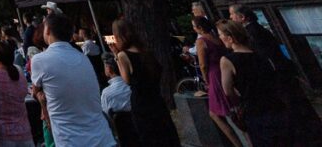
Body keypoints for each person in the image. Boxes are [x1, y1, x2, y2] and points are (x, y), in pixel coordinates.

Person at [30, 13, 115, 147]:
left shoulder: (40, 60)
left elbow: (36, 92)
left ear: (47, 31)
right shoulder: (83, 58)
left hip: (71, 140)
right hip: (102, 137)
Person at [218, 19, 295, 146]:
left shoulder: (227, 60)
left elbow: (227, 90)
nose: (220, 38)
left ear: (230, 38)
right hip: (276, 105)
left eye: (221, 35)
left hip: (254, 109)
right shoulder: (260, 55)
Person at [112, 19, 180, 147]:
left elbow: (126, 79)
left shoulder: (123, 55)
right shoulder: (146, 51)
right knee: (164, 133)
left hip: (141, 101)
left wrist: (116, 57)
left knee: (148, 136)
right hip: (156, 98)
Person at [190, 17, 241, 146]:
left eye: (194, 26)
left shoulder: (201, 41)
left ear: (200, 28)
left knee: (215, 113)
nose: (193, 29)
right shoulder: (217, 38)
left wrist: (206, 79)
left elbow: (202, 64)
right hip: (224, 71)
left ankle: (237, 143)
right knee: (232, 110)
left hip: (214, 75)